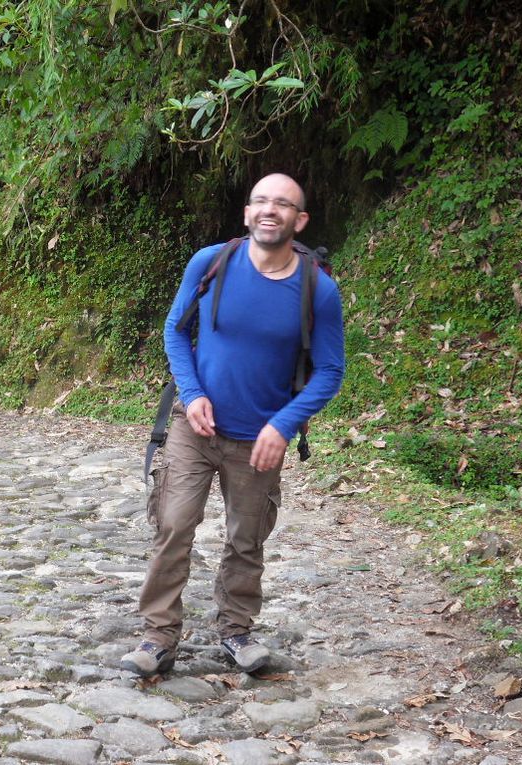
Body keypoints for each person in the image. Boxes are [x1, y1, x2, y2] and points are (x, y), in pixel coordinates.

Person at [121, 173, 345, 677]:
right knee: (174, 525)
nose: (271, 210)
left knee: (247, 537)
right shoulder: (211, 263)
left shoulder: (318, 289)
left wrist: (283, 426)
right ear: (246, 214)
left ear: (299, 219)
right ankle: (158, 637)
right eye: (261, 201)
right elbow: (176, 332)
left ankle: (236, 631)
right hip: (193, 427)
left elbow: (331, 370)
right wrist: (193, 393)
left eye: (283, 204)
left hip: (259, 438)